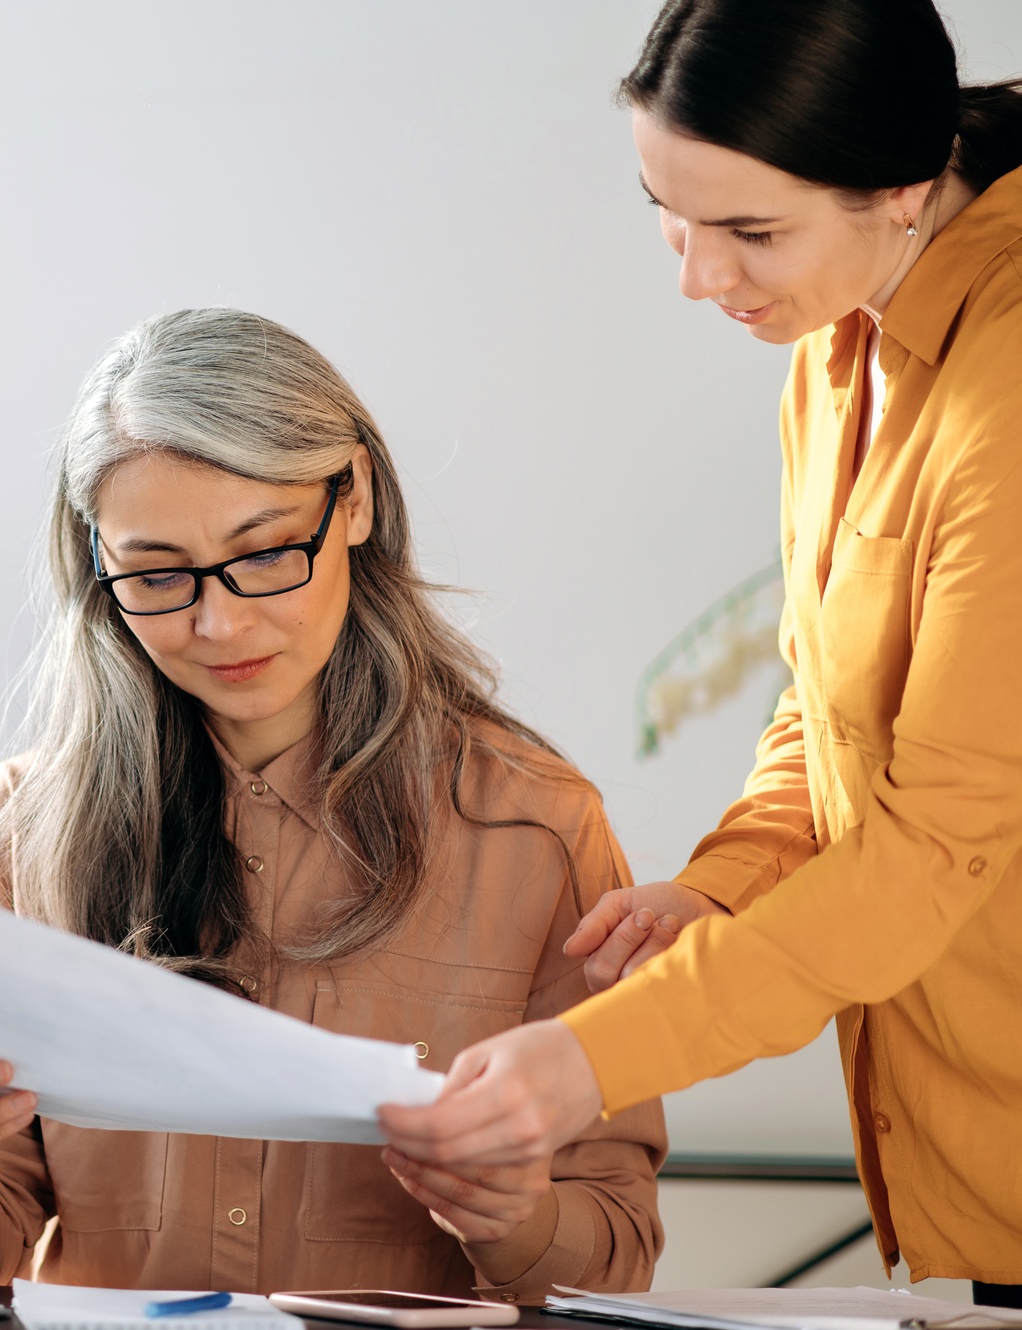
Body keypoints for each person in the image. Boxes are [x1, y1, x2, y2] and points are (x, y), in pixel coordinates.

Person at [376, 0, 1022, 1306]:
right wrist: (722, 886)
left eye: (748, 232)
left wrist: (588, 1060)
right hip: (954, 1152)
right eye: (669, 214)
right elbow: (834, 709)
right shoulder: (837, 352)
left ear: (901, 188)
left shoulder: (1005, 397)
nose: (697, 278)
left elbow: (939, 836)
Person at [0, 309, 664, 1302]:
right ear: (97, 566)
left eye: (267, 550)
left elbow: (614, 1249)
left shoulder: (533, 829)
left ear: (352, 497)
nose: (217, 621)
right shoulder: (20, 833)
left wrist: (513, 1213)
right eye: (155, 575)